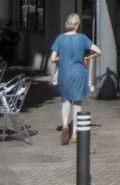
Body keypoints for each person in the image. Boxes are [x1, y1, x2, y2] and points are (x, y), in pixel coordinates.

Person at [49, 13, 101, 145]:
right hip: (78, 73)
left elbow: (52, 59)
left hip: (64, 74)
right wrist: (88, 58)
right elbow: (98, 51)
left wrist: (62, 58)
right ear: (77, 25)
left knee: (66, 100)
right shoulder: (83, 38)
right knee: (77, 103)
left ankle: (65, 124)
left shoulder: (60, 38)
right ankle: (74, 134)